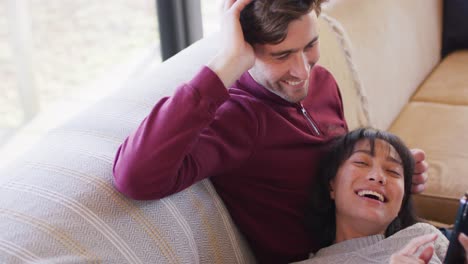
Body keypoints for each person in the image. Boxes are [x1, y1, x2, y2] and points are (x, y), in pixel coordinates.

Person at [112, 0, 428, 262]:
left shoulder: (322, 83)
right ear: (245, 52)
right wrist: (224, 65)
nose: (303, 71)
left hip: (377, 246)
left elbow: (334, 163)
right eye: (281, 55)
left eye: (310, 46)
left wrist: (390, 171)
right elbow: (135, 177)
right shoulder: (236, 119)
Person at [297, 128, 463, 264]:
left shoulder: (424, 236)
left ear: (401, 202)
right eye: (361, 162)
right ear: (331, 185)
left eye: (392, 171)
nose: (378, 177)